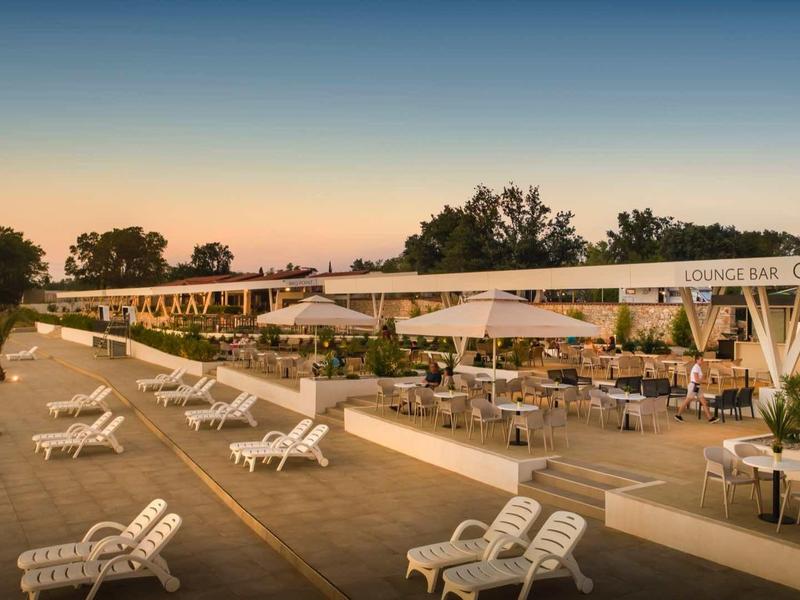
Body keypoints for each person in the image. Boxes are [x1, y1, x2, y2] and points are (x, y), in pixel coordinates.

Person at [675, 356, 718, 423]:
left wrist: (705, 380)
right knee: (686, 401)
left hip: (697, 386)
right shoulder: (696, 368)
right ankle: (678, 415)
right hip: (693, 386)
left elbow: (698, 380)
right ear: (697, 360)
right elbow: (697, 380)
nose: (702, 361)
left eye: (702, 360)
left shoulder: (698, 367)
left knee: (704, 402)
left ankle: (710, 418)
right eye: (701, 360)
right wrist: (706, 381)